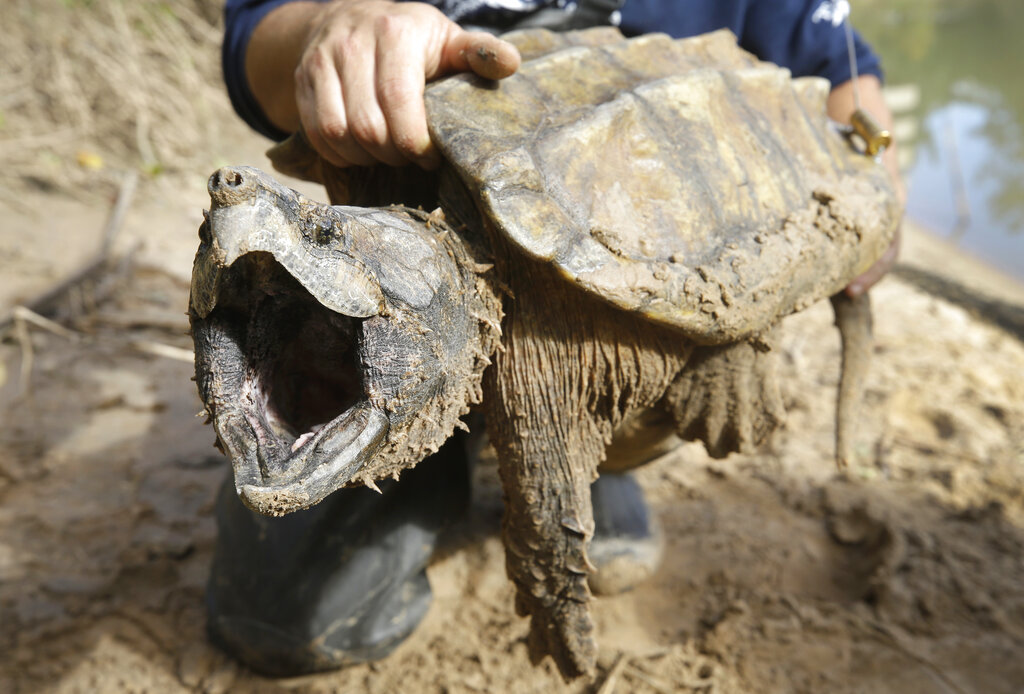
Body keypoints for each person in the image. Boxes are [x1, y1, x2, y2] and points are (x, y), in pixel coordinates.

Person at [210, 0, 903, 676]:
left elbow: (840, 73)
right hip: (410, 151)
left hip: (638, 277)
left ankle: (607, 453)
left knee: (581, 410)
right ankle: (413, 427)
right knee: (280, 614)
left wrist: (870, 190)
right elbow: (252, 33)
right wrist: (324, 30)